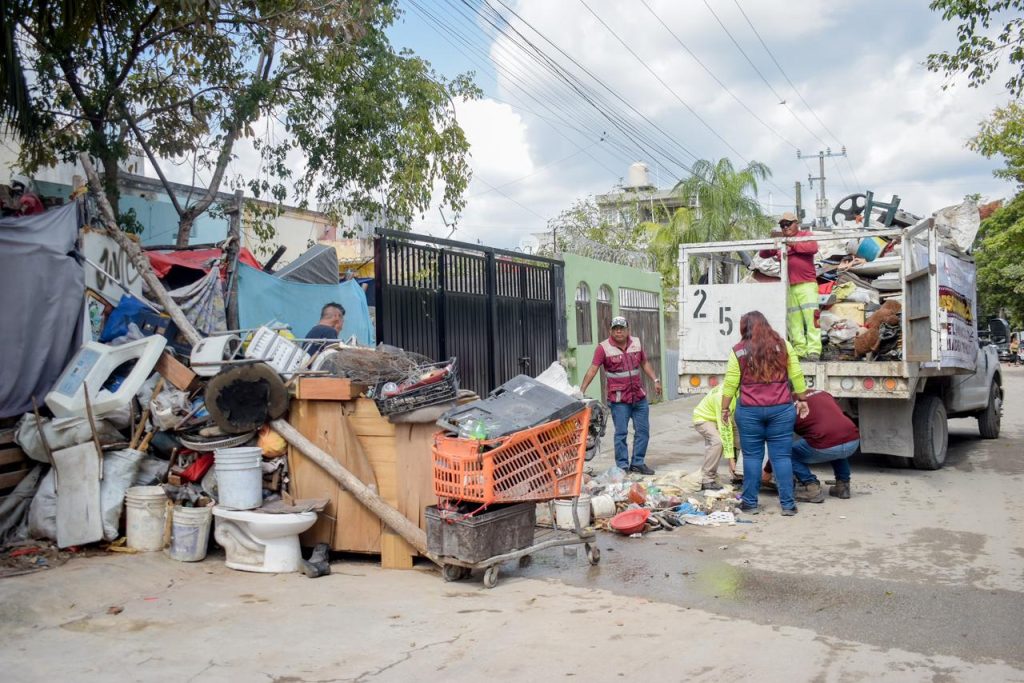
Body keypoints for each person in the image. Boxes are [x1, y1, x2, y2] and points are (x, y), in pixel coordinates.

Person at [722, 310, 809, 515]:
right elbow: (796, 374)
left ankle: (750, 503)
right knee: (782, 457)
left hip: (749, 412)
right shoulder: (784, 346)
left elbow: (731, 383)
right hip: (781, 410)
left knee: (752, 457)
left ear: (744, 328)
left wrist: (724, 408)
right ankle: (788, 505)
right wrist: (803, 399)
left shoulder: (738, 351)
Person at [580, 315, 662, 475]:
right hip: (619, 400)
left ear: (627, 330)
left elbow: (644, 363)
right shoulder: (603, 348)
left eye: (621, 328)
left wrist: (655, 380)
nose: (619, 332)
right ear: (610, 331)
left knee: (643, 432)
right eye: (615, 329)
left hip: (638, 397)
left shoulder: (636, 343)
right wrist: (581, 390)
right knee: (621, 434)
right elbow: (593, 369)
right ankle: (623, 466)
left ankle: (638, 463)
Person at [759, 211, 821, 360]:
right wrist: (772, 240)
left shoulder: (805, 235)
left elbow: (813, 247)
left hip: (807, 285)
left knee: (812, 319)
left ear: (796, 224)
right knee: (794, 321)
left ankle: (814, 350)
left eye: (788, 224)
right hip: (789, 287)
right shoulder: (781, 241)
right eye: (782, 225)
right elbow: (763, 254)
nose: (785, 227)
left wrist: (791, 244)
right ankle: (800, 350)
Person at [791, 389, 860, 501]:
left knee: (786, 453)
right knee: (836, 439)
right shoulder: (822, 393)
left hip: (826, 445)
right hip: (853, 440)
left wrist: (768, 470)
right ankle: (843, 486)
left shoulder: (787, 404)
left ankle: (812, 488)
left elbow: (779, 443)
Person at [692, 385, 738, 489]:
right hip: (704, 418)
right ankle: (707, 478)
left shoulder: (736, 391)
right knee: (717, 442)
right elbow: (725, 429)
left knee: (741, 437)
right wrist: (731, 460)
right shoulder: (721, 397)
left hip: (720, 417)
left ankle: (738, 474)